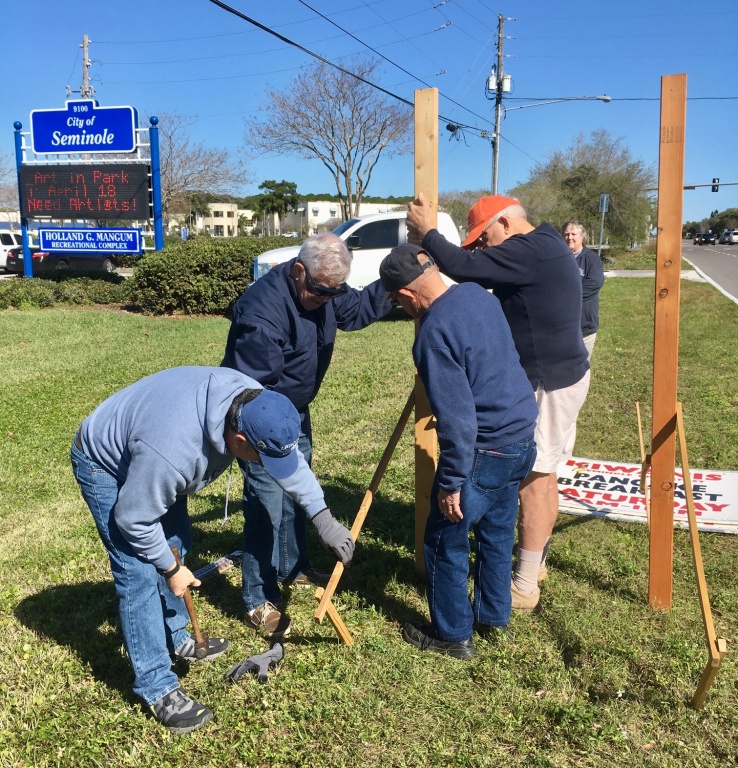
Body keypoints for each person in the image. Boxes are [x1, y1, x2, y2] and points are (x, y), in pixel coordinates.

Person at [71, 366, 353, 735]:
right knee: (138, 570)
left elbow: (289, 460)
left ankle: (176, 635)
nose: (266, 468)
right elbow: (133, 519)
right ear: (238, 440)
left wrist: (323, 518)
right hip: (105, 461)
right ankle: (157, 687)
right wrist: (171, 570)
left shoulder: (255, 402)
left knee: (177, 541)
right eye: (261, 458)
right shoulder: (175, 453)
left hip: (152, 447)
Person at [406, 194, 590, 612]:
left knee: (534, 481)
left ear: (504, 224)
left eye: (483, 238)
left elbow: (463, 267)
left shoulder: (530, 249)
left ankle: (523, 584)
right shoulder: (542, 245)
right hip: (561, 375)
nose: (482, 248)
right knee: (544, 474)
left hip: (550, 383)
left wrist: (427, 232)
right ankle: (534, 562)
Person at [222, 233, 391, 637]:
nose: (327, 299)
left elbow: (357, 309)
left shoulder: (323, 289)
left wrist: (399, 277)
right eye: (320, 291)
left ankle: (292, 566)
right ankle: (258, 597)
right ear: (299, 271)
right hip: (258, 416)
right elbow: (253, 392)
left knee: (299, 488)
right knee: (266, 500)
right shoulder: (261, 315)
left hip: (293, 409)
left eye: (334, 292)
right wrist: (274, 442)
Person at [379, 243, 537, 659]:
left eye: (397, 300)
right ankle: (493, 615)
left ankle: (453, 635)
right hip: (521, 438)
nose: (402, 308)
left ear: (408, 294)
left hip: (486, 450)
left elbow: (460, 421)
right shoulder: (476, 294)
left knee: (443, 539)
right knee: (497, 533)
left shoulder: (433, 333)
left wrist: (450, 483)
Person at [562, 220, 605, 360]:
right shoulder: (557, 259)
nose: (569, 237)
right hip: (560, 325)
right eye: (566, 234)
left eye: (573, 234)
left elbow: (593, 284)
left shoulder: (592, 259)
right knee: (561, 366)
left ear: (582, 237)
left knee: (582, 366)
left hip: (584, 325)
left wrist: (564, 297)